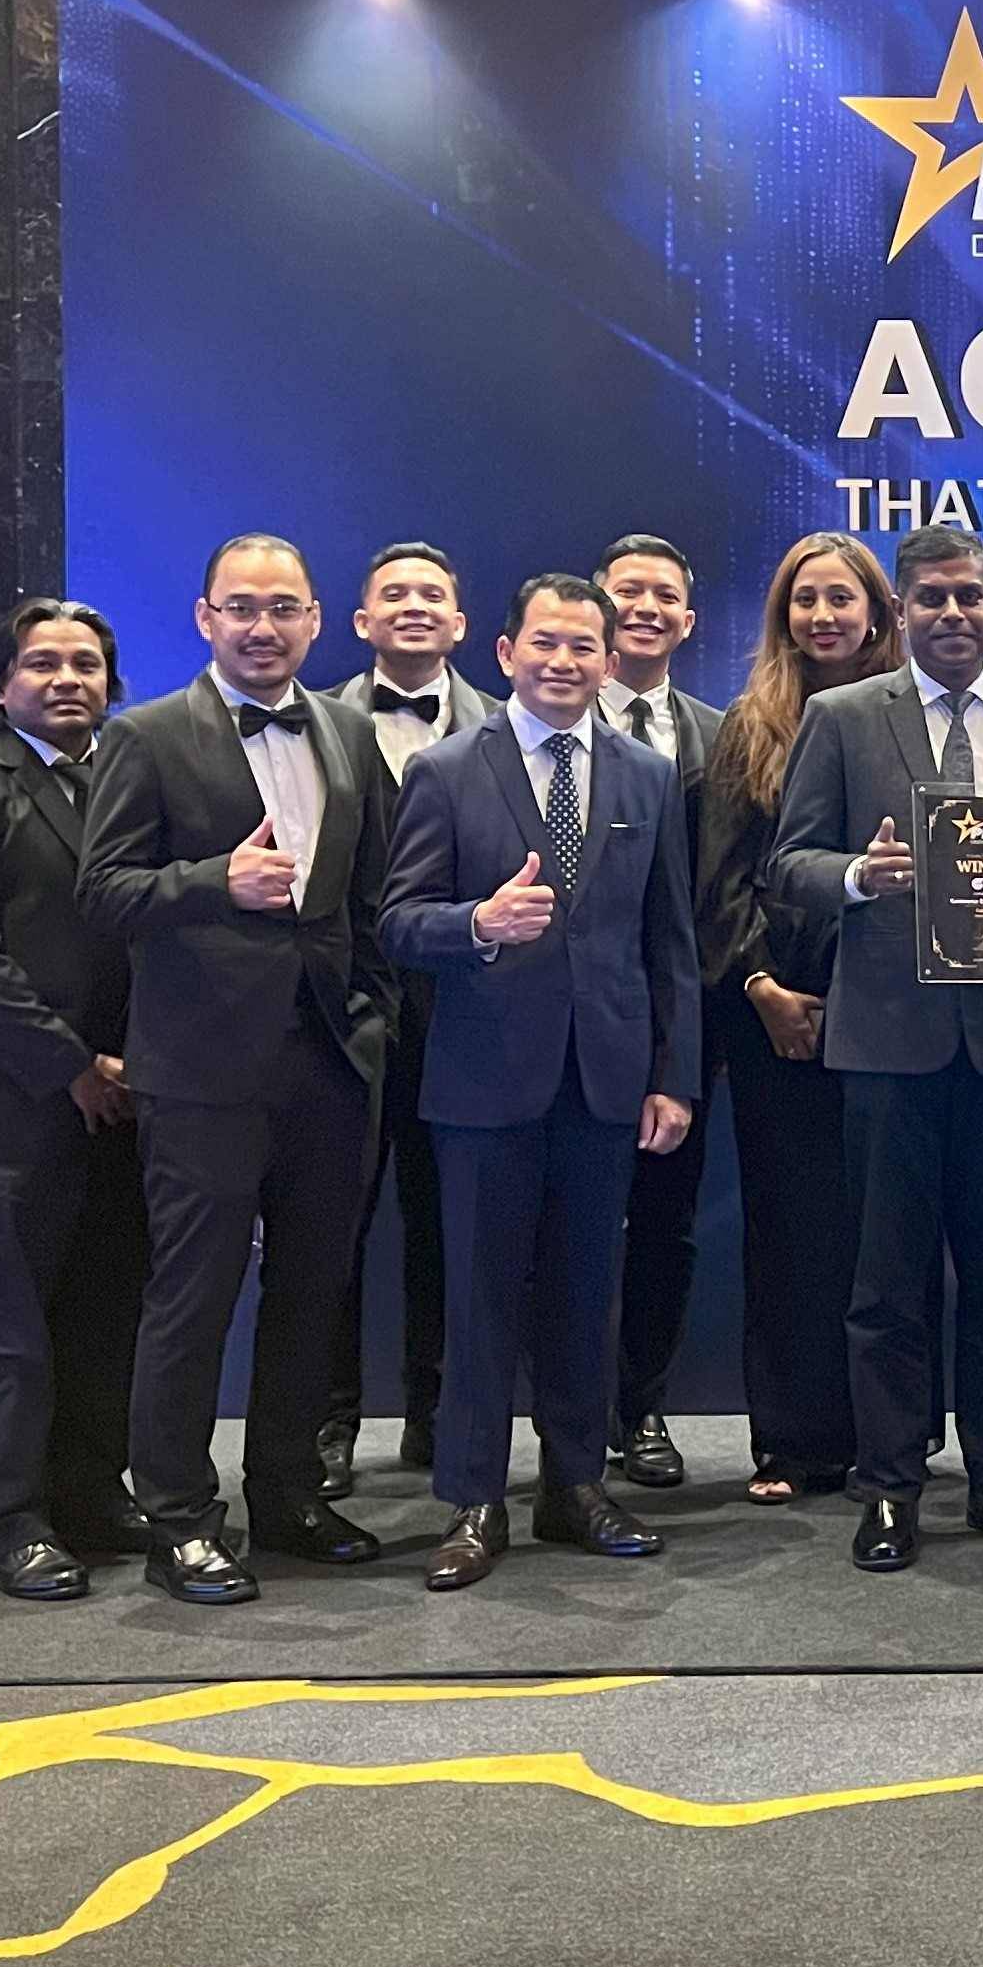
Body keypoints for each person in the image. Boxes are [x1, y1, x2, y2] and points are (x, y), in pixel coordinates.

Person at [79, 532, 399, 1604]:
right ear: (205, 618)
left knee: (313, 1292)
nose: (263, 628)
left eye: (284, 609)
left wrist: (373, 1018)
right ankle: (179, 1518)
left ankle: (289, 1494)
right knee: (193, 1296)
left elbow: (375, 898)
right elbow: (104, 893)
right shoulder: (147, 736)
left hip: (329, 1059)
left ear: (315, 620)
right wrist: (217, 881)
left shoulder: (350, 732)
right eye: (242, 609)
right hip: (203, 1065)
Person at [769, 523, 983, 1569]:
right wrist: (861, 877)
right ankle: (893, 1488)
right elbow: (791, 865)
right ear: (900, 612)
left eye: (969, 598)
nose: (952, 616)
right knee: (886, 1280)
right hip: (890, 1041)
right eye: (932, 601)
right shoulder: (842, 717)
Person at [377, 572, 698, 1589]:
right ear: (507, 653)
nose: (566, 663)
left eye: (584, 647)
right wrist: (472, 925)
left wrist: (672, 1079)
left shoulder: (646, 776)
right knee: (478, 1297)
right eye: (546, 644)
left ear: (610, 661)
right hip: (482, 1081)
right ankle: (473, 1499)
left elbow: (670, 947)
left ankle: (576, 1486)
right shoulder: (443, 769)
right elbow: (394, 922)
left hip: (605, 1081)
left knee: (584, 1293)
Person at [0, 600, 151, 1600]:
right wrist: (73, 1068)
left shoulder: (132, 783)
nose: (66, 680)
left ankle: (93, 1491)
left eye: (86, 663)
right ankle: (8, 1520)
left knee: (106, 1317)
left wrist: (136, 1067)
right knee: (6, 1332)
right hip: (4, 1112)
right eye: (40, 663)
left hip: (132, 1109)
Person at [702, 530, 900, 1502]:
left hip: (896, 1013)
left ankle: (890, 1438)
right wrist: (762, 989)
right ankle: (794, 1441)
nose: (823, 616)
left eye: (840, 598)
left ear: (875, 612)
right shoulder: (750, 726)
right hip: (780, 1014)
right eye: (804, 600)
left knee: (887, 1233)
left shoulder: (913, 716)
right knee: (791, 1234)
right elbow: (724, 882)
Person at [320, 540, 492, 1493]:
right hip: (339, 1011)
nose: (415, 606)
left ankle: (438, 1416)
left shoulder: (510, 728)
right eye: (395, 594)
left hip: (465, 1013)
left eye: (434, 593)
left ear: (463, 626)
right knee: (330, 1228)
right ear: (360, 622)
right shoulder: (308, 724)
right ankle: (329, 1423)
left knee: (452, 1228)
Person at [595, 531, 727, 1489]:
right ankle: (568, 1417)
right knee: (561, 1226)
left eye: (664, 595)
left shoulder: (721, 734)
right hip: (566, 1022)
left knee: (665, 1227)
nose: (645, 607)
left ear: (689, 619)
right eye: (627, 591)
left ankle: (640, 1410)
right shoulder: (535, 729)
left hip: (688, 1017)